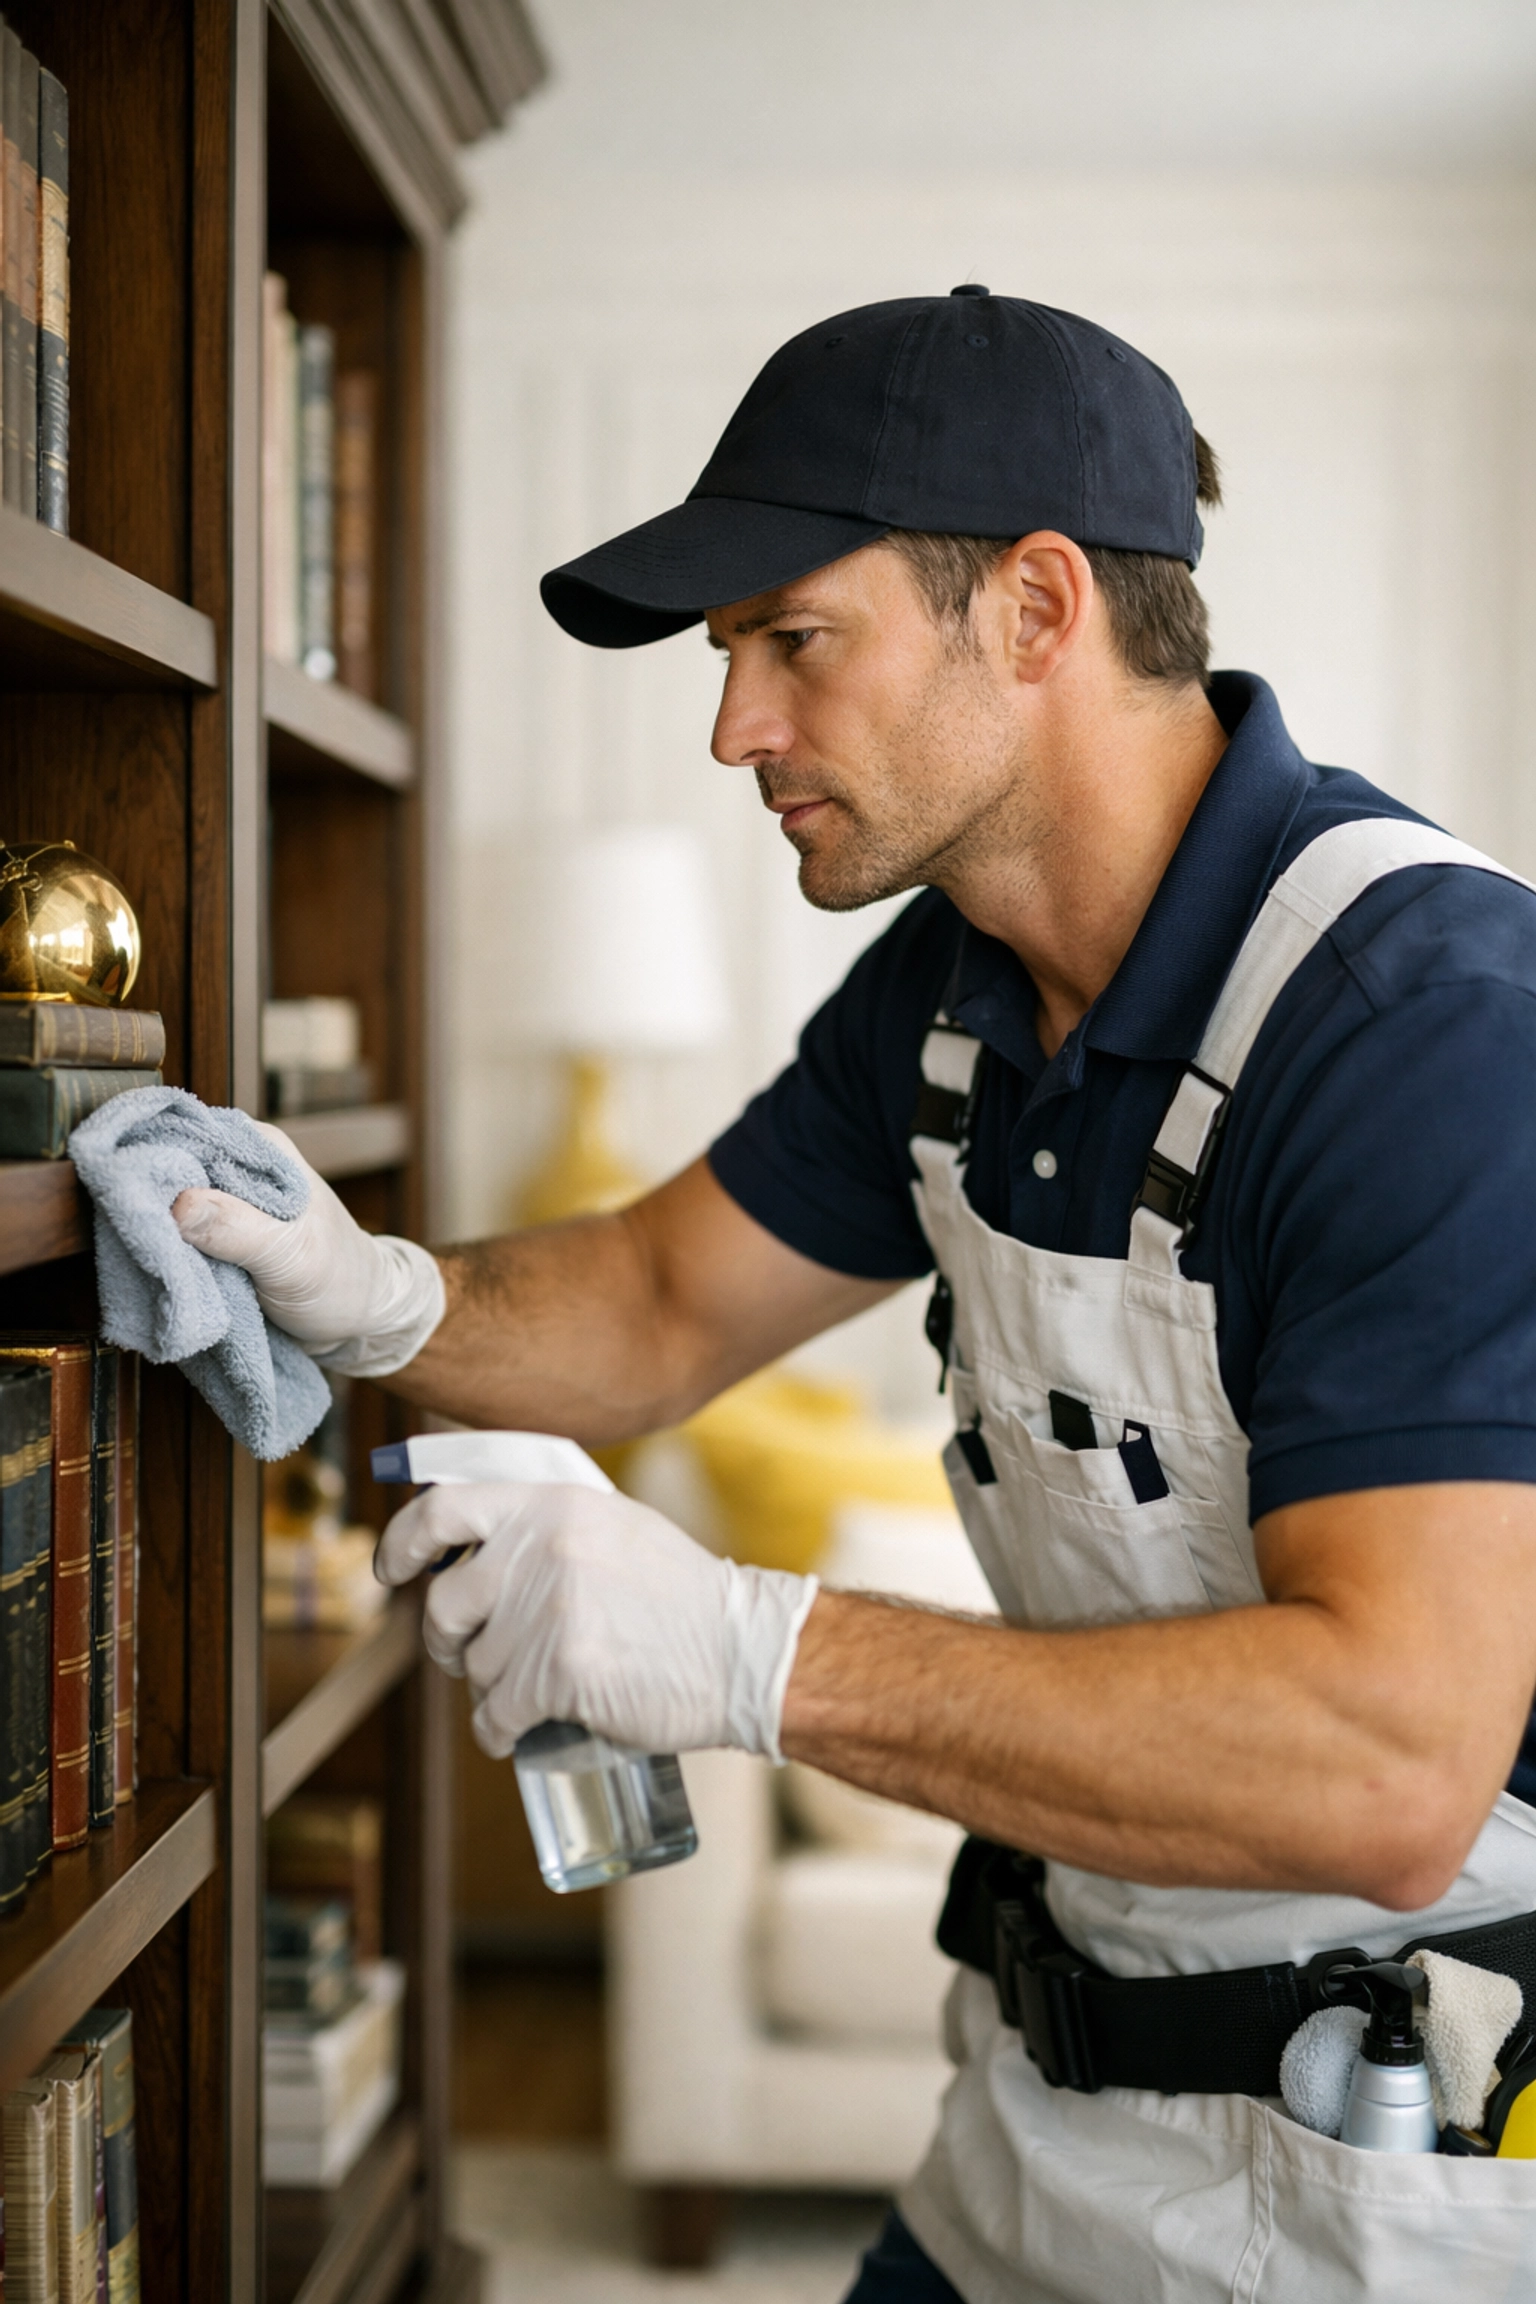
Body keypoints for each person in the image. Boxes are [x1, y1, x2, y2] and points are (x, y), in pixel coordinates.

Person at [180, 290, 1536, 2300]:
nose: (735, 728)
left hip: (1378, 2182)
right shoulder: (949, 999)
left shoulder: (1426, 1032)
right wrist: (362, 1290)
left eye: (790, 641)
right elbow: (649, 1300)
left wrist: (741, 1648)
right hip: (1038, 2112)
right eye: (732, 657)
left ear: (1041, 610)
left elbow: (1392, 1763)